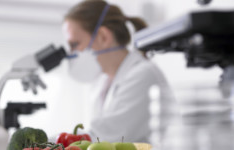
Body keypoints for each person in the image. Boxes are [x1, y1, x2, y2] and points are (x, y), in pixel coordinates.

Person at [62, 0, 173, 143]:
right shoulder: (102, 83)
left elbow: (102, 138)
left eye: (75, 44)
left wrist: (40, 142)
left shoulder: (143, 75)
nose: (71, 53)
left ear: (103, 37)